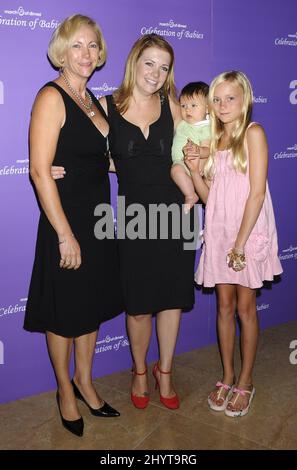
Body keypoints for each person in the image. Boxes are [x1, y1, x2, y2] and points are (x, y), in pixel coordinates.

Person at [52, 34, 197, 410]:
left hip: (175, 217)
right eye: (149, 63)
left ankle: (164, 371)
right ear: (134, 62)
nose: (156, 73)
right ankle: (138, 370)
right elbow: (85, 151)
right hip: (134, 219)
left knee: (171, 302)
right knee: (139, 305)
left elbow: (198, 146)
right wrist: (53, 167)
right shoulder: (105, 106)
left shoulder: (174, 106)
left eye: (164, 67)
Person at [24, 14, 123, 437]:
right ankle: (65, 389)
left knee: (91, 305)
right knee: (65, 311)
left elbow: (110, 161)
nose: (87, 54)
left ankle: (85, 380)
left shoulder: (96, 101)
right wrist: (64, 233)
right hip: (66, 220)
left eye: (93, 46)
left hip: (99, 218)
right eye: (78, 45)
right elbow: (39, 171)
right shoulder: (51, 97)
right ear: (62, 52)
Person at [184, 70, 282, 417]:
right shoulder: (214, 141)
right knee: (223, 307)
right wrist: (195, 170)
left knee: (245, 308)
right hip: (220, 229)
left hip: (246, 232)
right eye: (218, 99)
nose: (223, 105)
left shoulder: (254, 134)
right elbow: (212, 199)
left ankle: (246, 380)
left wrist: (240, 243)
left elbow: (256, 194)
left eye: (231, 98)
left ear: (245, 101)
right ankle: (226, 376)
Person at [171, 81, 210, 213]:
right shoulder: (183, 123)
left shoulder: (205, 127)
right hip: (182, 163)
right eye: (183, 105)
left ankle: (190, 195)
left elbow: (208, 150)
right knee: (176, 170)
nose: (187, 109)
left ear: (208, 108)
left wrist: (200, 166)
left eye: (194, 105)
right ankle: (190, 193)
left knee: (176, 170)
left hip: (194, 165)